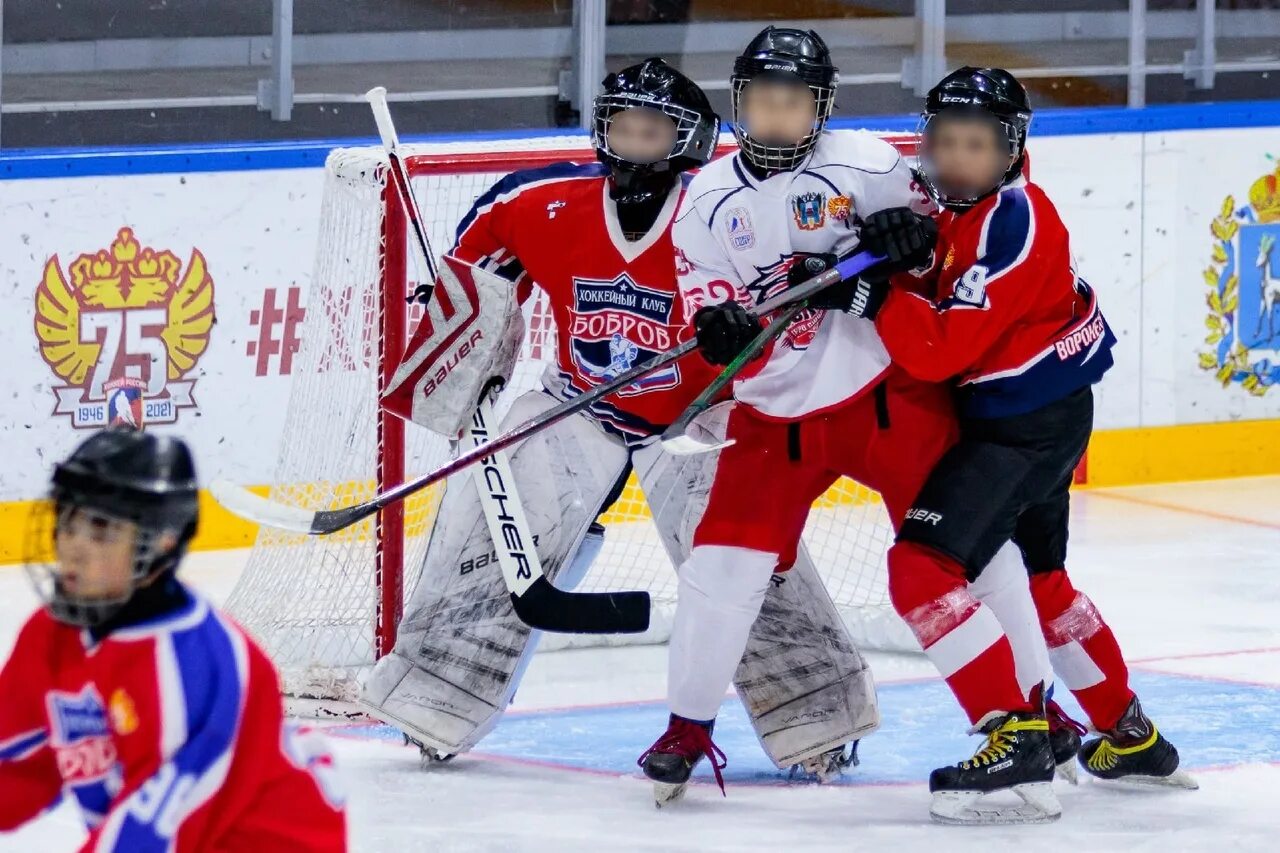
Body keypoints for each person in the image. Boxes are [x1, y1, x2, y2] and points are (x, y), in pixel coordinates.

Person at [369, 58, 880, 785]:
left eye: (655, 130)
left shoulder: (721, 208)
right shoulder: (540, 199)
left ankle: (819, 716)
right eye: (624, 127)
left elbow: (802, 277)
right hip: (578, 402)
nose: (637, 143)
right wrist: (463, 320)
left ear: (690, 139)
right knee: (485, 519)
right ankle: (436, 697)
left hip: (706, 416)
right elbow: (478, 268)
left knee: (746, 558)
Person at [643, 26, 1054, 807]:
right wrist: (728, 342)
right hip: (776, 422)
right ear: (741, 104)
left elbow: (940, 254)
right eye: (763, 100)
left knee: (973, 547)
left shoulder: (867, 163)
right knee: (719, 570)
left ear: (819, 107)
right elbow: (716, 327)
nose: (775, 116)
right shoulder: (705, 202)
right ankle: (687, 727)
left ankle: (1038, 711)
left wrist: (912, 241)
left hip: (885, 399)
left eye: (792, 102)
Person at [852, 66, 1196, 823]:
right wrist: (907, 259)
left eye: (977, 144)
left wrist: (878, 294)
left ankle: (1016, 736)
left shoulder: (1017, 218)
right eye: (944, 142)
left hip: (1022, 426)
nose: (956, 158)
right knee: (1042, 583)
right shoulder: (963, 210)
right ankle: (1128, 733)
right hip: (1043, 412)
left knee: (919, 567)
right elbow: (943, 275)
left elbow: (939, 349)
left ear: (1011, 149)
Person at [0, 426, 347, 851]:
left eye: (101, 531)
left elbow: (147, 837)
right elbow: (15, 769)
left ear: (160, 543)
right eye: (68, 523)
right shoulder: (52, 635)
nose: (73, 547)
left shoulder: (195, 665)